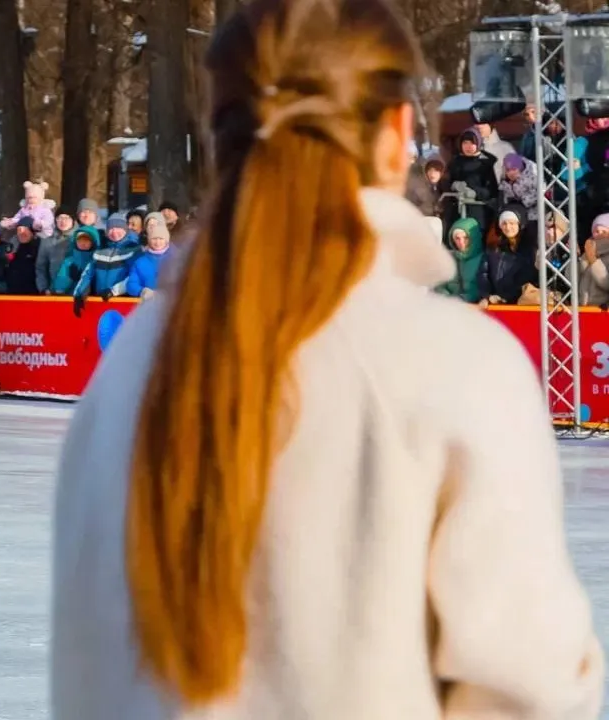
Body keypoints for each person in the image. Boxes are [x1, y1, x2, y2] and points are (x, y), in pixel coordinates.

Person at [50, 0, 603, 717]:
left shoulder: (130, 366)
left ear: (220, 140)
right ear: (397, 133)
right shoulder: (453, 366)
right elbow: (532, 689)